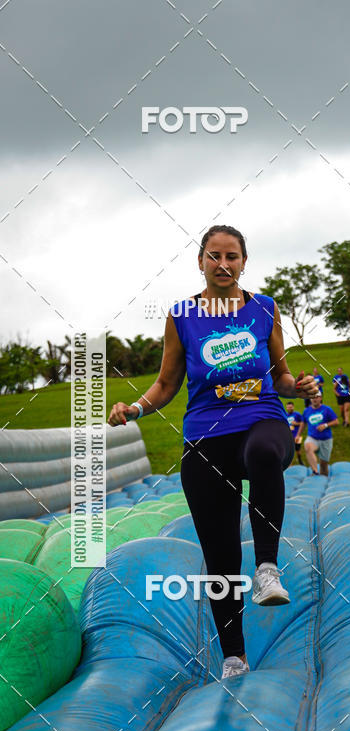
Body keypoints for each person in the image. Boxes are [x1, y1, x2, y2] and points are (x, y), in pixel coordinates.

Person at [108, 225, 319, 680]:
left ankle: (266, 567)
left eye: (233, 256)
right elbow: (167, 384)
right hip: (205, 436)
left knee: (265, 453)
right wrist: (136, 408)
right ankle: (234, 658)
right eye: (214, 256)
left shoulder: (264, 308)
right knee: (220, 556)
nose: (224, 264)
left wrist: (296, 388)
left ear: (244, 262)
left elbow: (280, 377)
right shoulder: (181, 315)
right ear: (200, 262)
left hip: (261, 418)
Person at [297, 393, 338, 476]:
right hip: (313, 438)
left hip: (326, 439)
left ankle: (324, 480)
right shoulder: (306, 411)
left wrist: (326, 425)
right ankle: (315, 471)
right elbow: (303, 423)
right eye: (312, 397)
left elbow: (336, 422)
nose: (314, 399)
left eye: (317, 397)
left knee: (323, 465)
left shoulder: (327, 409)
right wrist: (298, 435)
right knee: (308, 446)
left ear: (321, 398)